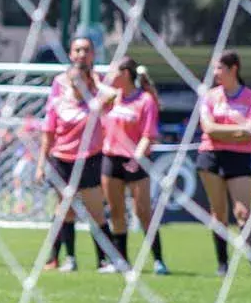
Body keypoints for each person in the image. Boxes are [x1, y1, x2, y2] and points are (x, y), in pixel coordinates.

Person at [35, 36, 116, 273]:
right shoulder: (59, 89)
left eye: (86, 50)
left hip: (89, 157)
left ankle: (105, 259)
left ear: (93, 54)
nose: (82, 54)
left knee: (95, 209)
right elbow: (48, 130)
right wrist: (42, 162)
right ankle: (65, 258)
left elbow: (112, 96)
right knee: (64, 209)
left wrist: (93, 82)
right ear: (70, 54)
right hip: (63, 158)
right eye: (77, 50)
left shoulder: (98, 89)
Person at [197, 49, 251, 277]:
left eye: (219, 68)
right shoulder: (209, 97)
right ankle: (222, 265)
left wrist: (225, 132)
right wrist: (238, 130)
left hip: (239, 158)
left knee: (243, 212)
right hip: (211, 156)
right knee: (218, 214)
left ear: (233, 69)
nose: (215, 73)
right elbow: (209, 129)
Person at [101, 57, 168, 275]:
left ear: (126, 74)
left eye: (114, 72)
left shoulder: (145, 100)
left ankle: (158, 260)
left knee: (143, 212)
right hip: (111, 159)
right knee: (116, 211)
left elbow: (149, 135)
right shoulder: (112, 99)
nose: (110, 76)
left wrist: (135, 158)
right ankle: (121, 261)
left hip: (136, 161)